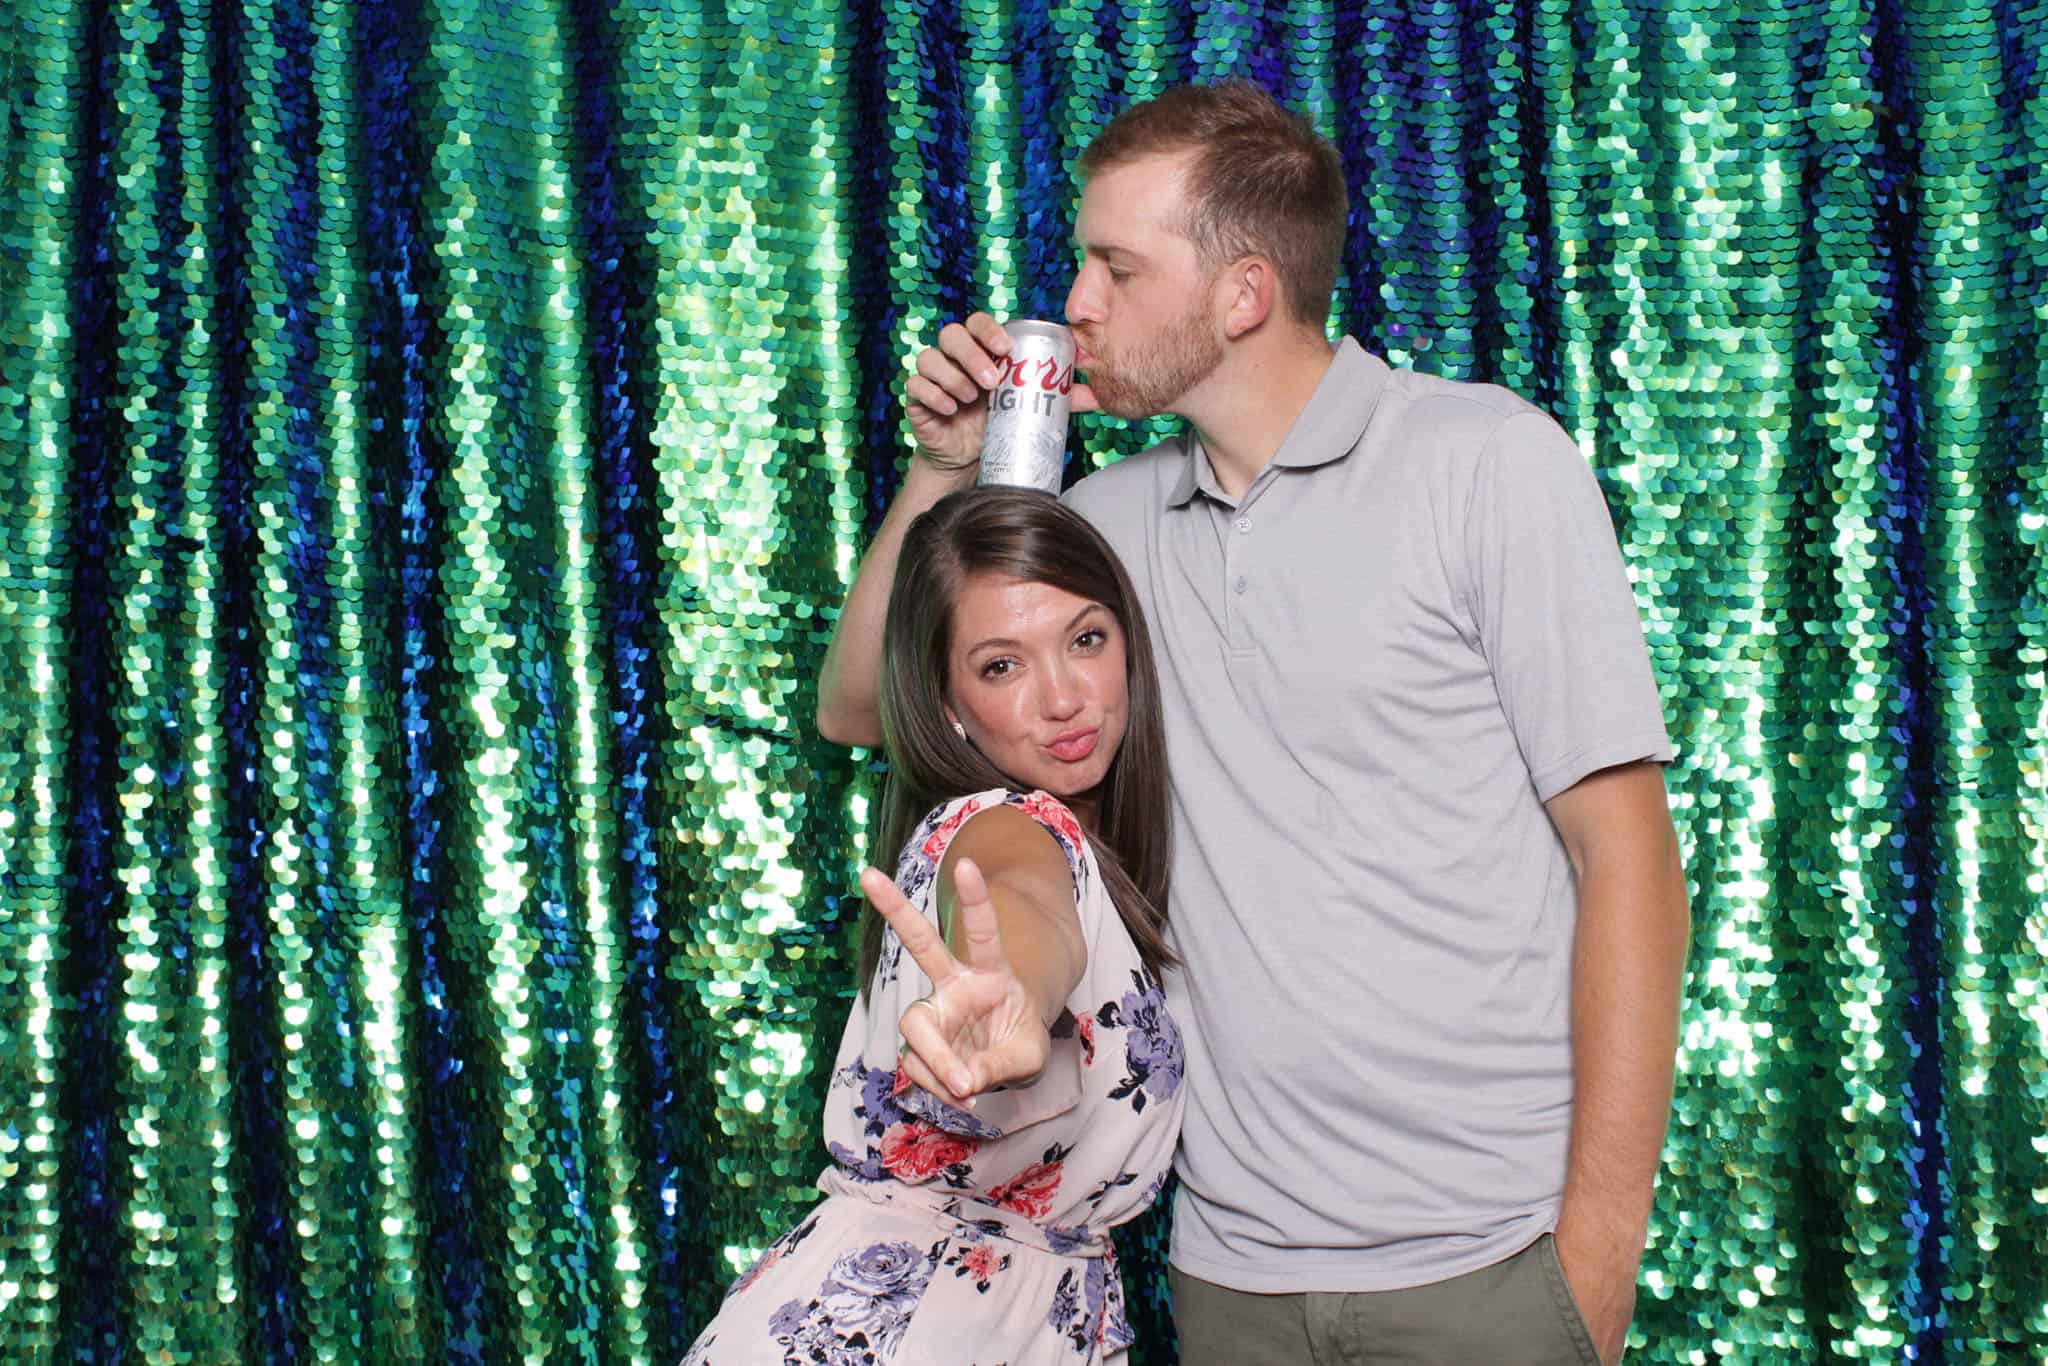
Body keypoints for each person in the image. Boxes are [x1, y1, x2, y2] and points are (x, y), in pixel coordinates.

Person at [815, 80, 1691, 1365]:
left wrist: (1593, 1262)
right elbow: (860, 704)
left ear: (1239, 294)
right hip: (1229, 1277)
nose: (1075, 304)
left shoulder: (1484, 462)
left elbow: (1628, 863)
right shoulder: (1106, 524)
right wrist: (945, 468)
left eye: (1115, 266)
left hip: (1492, 1261)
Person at [686, 489, 1187, 1364]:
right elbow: (1017, 894)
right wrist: (1017, 992)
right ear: (949, 704)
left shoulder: (1104, 837)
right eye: (1002, 666)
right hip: (903, 1328)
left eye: (1086, 640)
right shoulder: (1012, 822)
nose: (1064, 698)